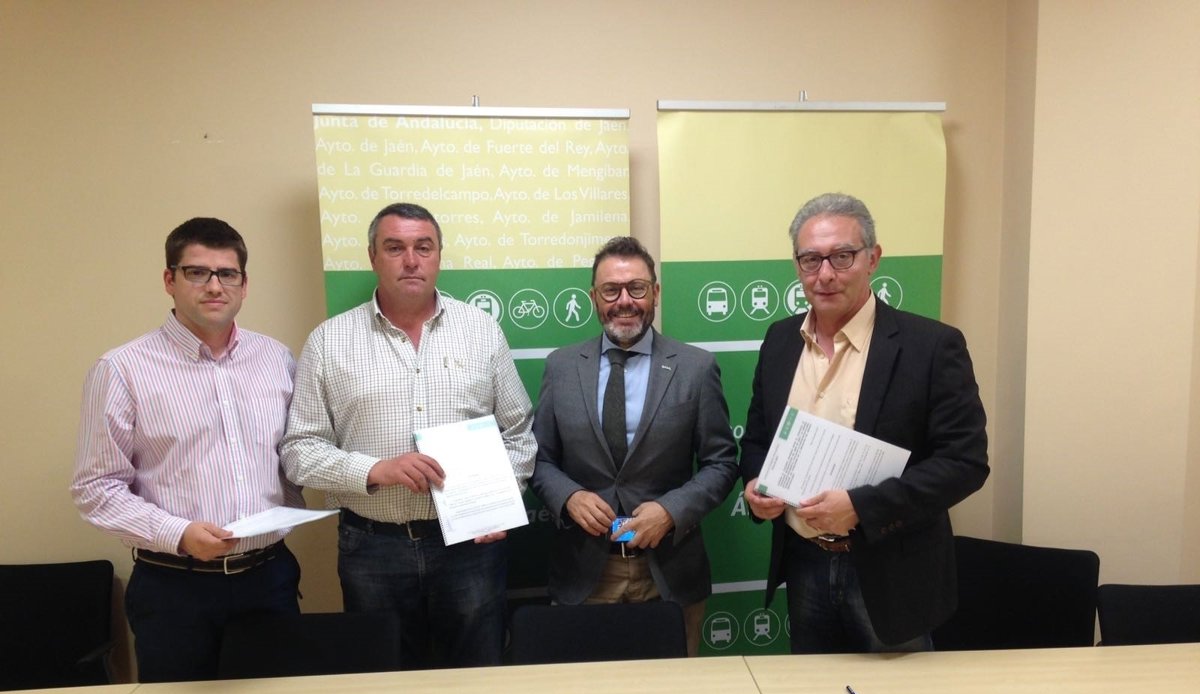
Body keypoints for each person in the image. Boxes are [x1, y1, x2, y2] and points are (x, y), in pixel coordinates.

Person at [281, 202, 535, 669]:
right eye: (395, 248)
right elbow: (299, 451)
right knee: (383, 679)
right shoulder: (329, 341)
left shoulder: (481, 331)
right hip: (372, 547)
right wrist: (375, 470)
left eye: (424, 247)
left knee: (477, 674)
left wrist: (500, 501)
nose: (411, 260)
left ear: (438, 255)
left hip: (470, 547)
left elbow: (519, 431)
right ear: (372, 257)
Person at [739, 193, 989, 653]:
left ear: (873, 259)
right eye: (811, 259)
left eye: (842, 256)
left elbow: (965, 463)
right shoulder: (779, 341)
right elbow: (757, 439)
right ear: (797, 265)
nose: (825, 274)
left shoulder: (931, 346)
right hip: (804, 563)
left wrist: (861, 507)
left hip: (892, 572)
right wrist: (757, 484)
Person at [71, 217, 303, 682]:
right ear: (169, 280)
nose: (214, 286)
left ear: (244, 284)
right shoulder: (122, 369)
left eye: (227, 273)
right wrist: (177, 533)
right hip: (175, 589)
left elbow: (295, 453)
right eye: (197, 272)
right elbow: (95, 488)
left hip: (268, 579)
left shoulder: (276, 359)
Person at [530, 236, 738, 656]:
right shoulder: (561, 366)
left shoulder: (696, 368)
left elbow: (721, 463)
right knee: (586, 690)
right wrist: (568, 496)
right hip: (585, 572)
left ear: (655, 293)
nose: (624, 301)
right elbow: (539, 459)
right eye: (611, 290)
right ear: (594, 297)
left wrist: (671, 511)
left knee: (672, 693)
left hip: (669, 573)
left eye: (636, 288)